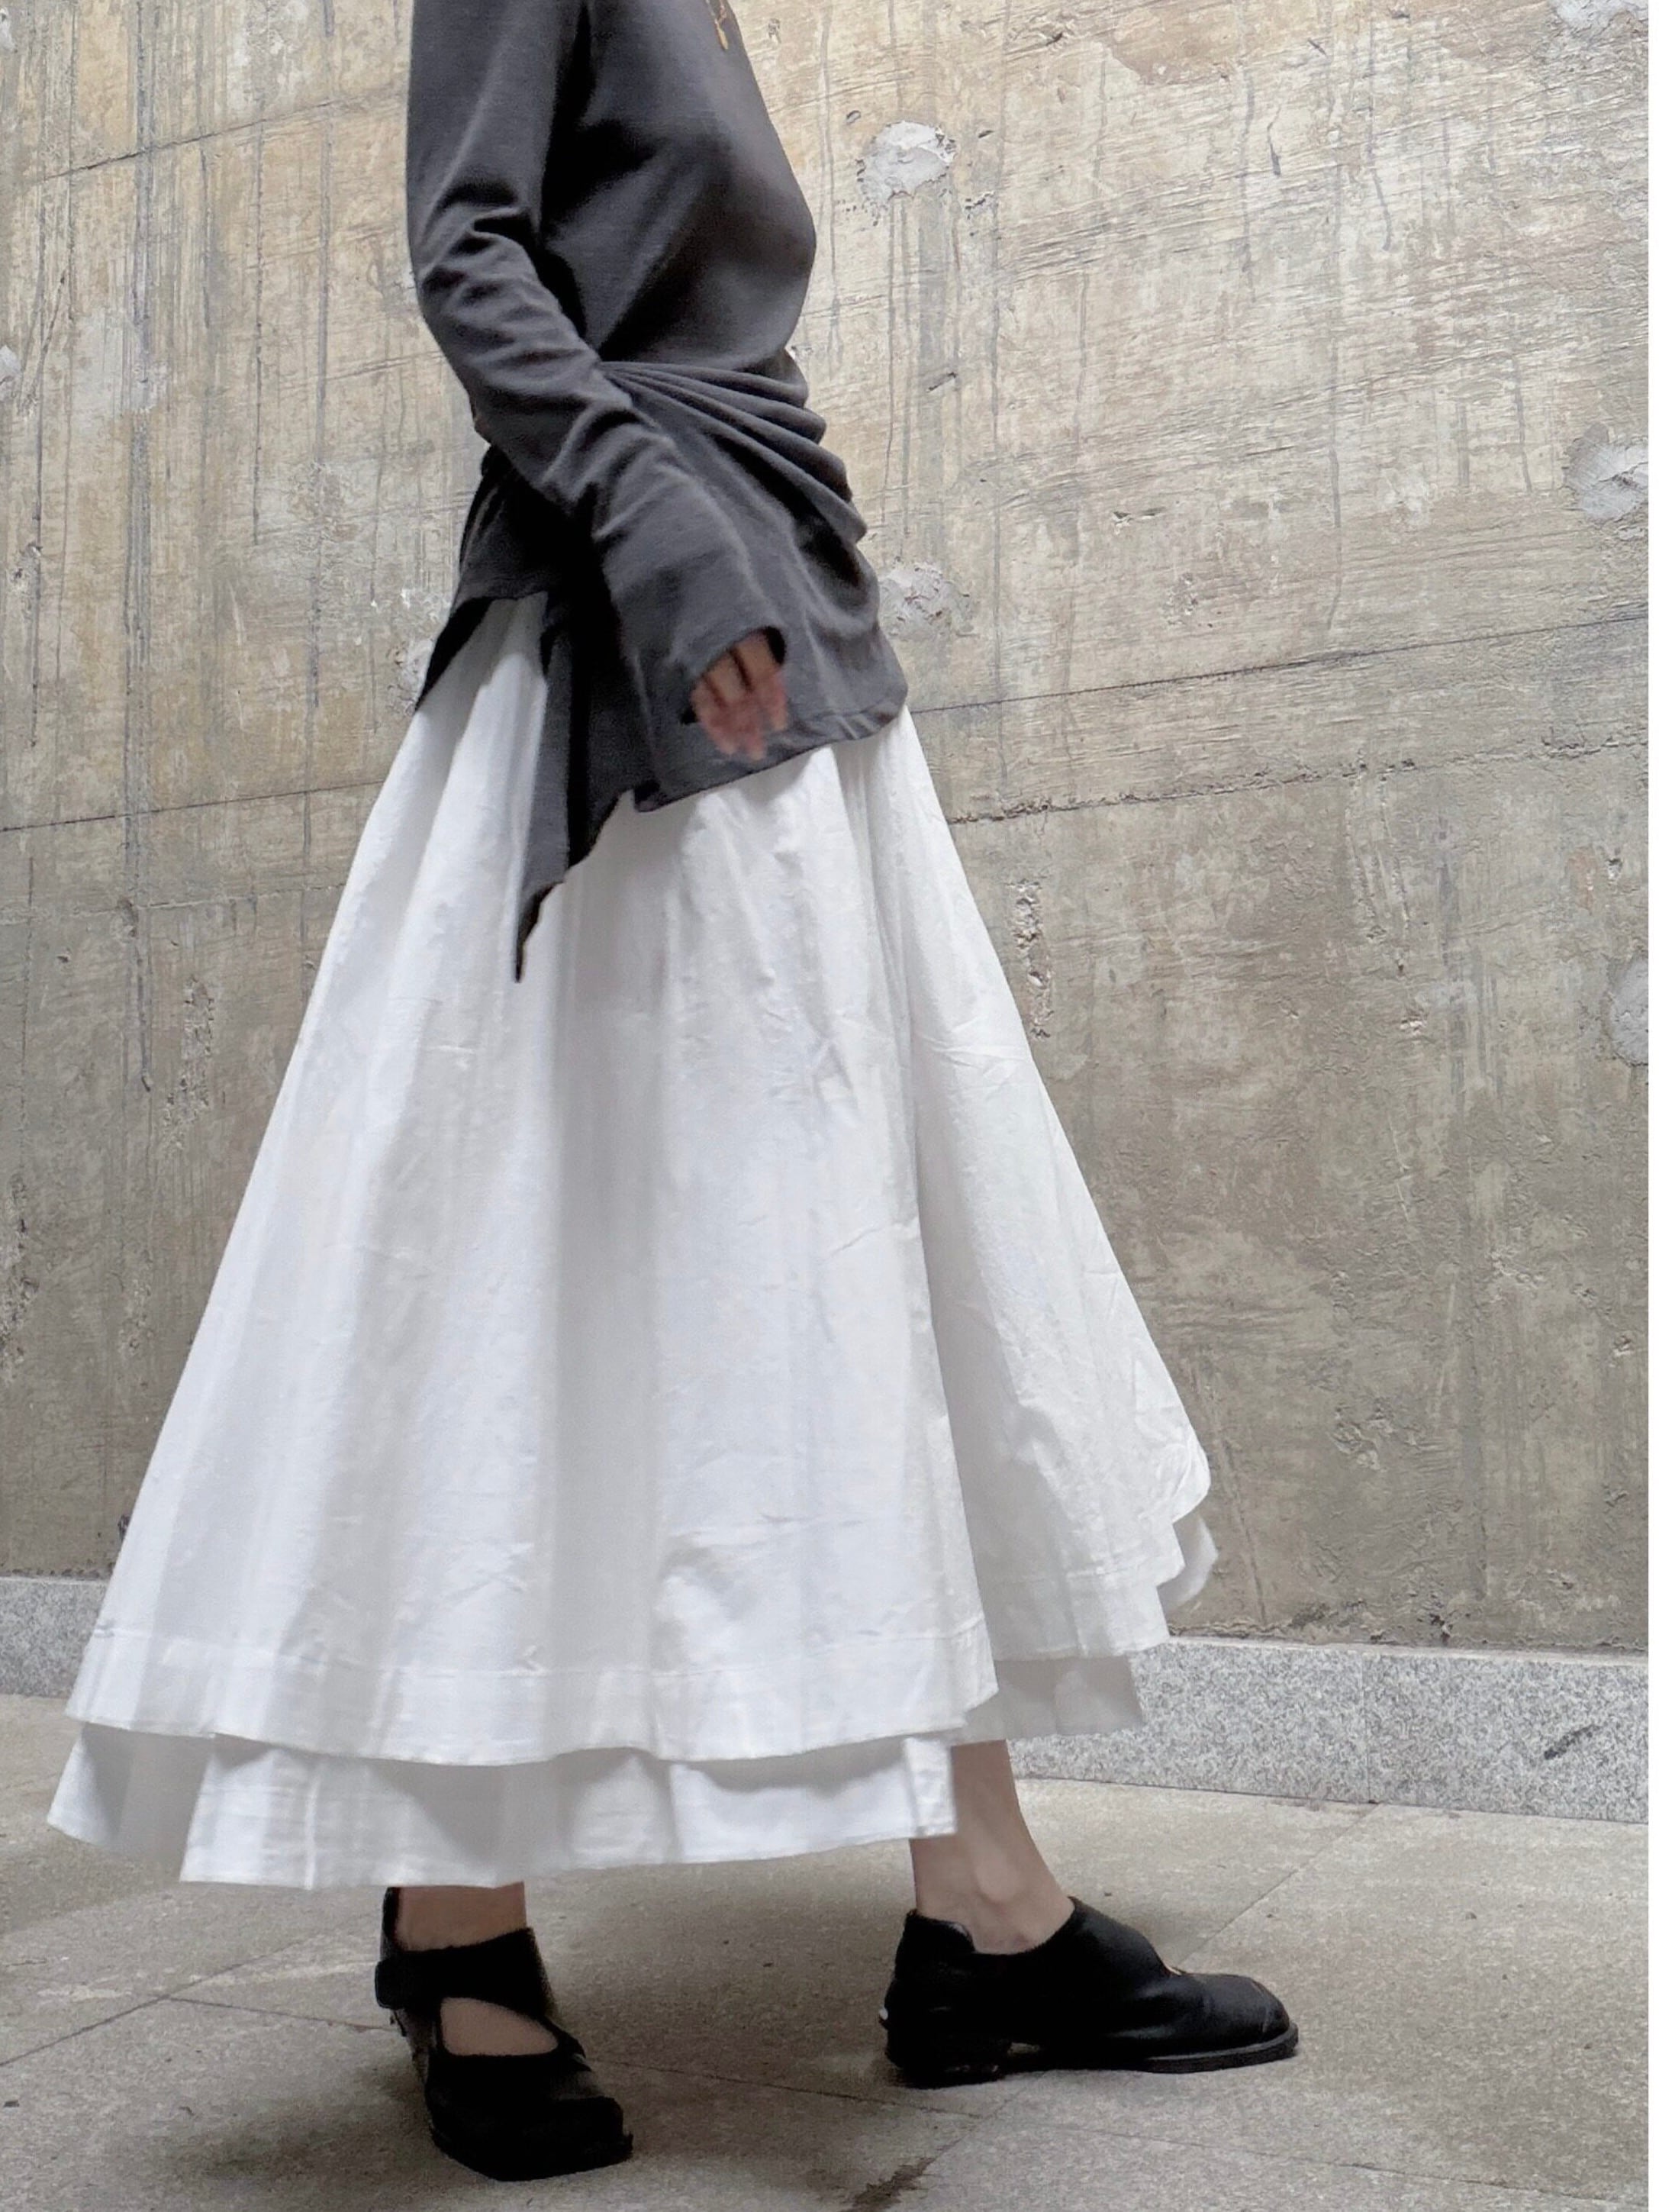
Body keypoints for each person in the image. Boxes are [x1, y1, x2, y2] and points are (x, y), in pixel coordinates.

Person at [47, 0, 1296, 2182]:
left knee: (867, 1251)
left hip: (767, 621)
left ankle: (982, 1901)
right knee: (524, 1250)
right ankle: (453, 1915)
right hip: (647, 628)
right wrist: (653, 521)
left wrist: (733, 538)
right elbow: (468, 249)